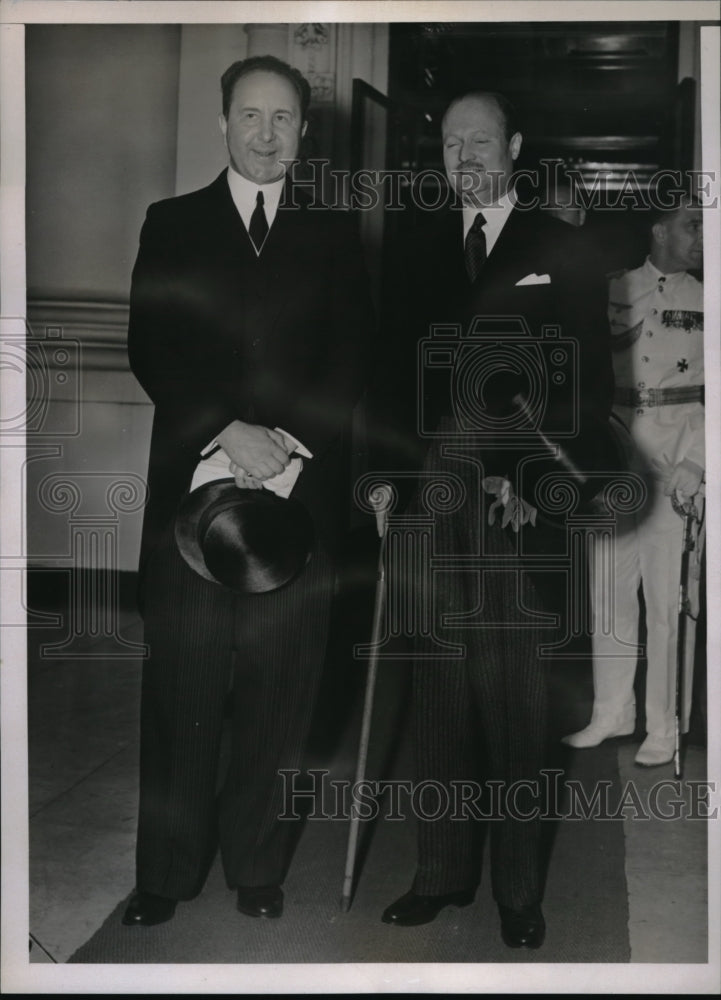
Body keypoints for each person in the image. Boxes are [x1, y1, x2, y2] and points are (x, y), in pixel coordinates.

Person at [123, 56, 373, 926]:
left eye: (283, 119)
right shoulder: (173, 222)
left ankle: (257, 866)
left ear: (306, 133)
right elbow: (154, 344)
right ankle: (166, 873)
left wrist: (288, 446)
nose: (266, 134)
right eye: (250, 116)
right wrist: (230, 429)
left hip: (297, 493)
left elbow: (348, 361)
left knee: (280, 686)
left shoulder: (335, 234)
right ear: (223, 123)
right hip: (197, 482)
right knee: (184, 689)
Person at [374, 90, 615, 949]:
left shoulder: (563, 247)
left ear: (513, 144)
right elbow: (388, 375)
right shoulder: (410, 243)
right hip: (429, 492)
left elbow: (586, 389)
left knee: (514, 697)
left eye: (480, 138)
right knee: (438, 685)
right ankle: (439, 874)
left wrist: (529, 478)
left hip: (518, 498)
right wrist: (385, 482)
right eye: (449, 141)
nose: (464, 153)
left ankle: (518, 890)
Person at [562, 198, 704, 766]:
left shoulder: (710, 298)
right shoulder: (612, 288)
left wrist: (699, 464)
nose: (702, 237)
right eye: (692, 225)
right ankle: (612, 711)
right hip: (617, 456)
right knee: (610, 591)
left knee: (667, 599)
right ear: (659, 230)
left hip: (676, 460)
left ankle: (663, 725)